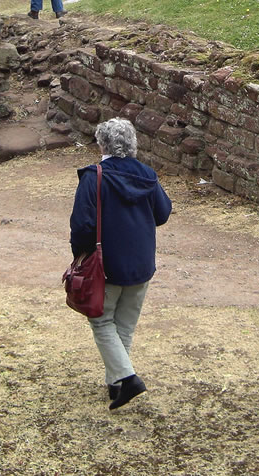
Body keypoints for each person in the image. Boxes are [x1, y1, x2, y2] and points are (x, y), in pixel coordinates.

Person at [69, 118, 173, 410]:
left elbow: (82, 225)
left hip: (107, 264)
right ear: (132, 143)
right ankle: (116, 384)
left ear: (102, 144)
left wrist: (80, 254)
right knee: (124, 326)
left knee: (101, 320)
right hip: (141, 263)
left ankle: (126, 379)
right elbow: (163, 213)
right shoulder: (147, 175)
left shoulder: (95, 177)